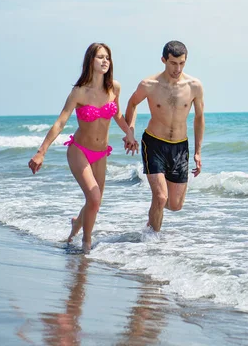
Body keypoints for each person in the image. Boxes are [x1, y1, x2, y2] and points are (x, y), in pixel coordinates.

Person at [28, 42, 138, 253]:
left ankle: (76, 225)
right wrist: (41, 152)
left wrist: (129, 133)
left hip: (101, 153)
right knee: (94, 198)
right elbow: (60, 122)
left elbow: (117, 115)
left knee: (94, 201)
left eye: (108, 57)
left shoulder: (114, 87)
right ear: (90, 61)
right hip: (79, 151)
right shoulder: (79, 92)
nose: (105, 61)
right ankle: (86, 245)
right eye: (100, 57)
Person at [124, 40, 205, 233]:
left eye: (182, 63)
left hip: (180, 146)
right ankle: (152, 243)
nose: (177, 68)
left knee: (175, 205)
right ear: (163, 60)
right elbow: (132, 103)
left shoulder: (194, 86)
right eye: (173, 63)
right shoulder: (149, 84)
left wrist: (198, 151)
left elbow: (199, 118)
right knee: (161, 197)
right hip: (153, 143)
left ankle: (154, 211)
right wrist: (130, 131)